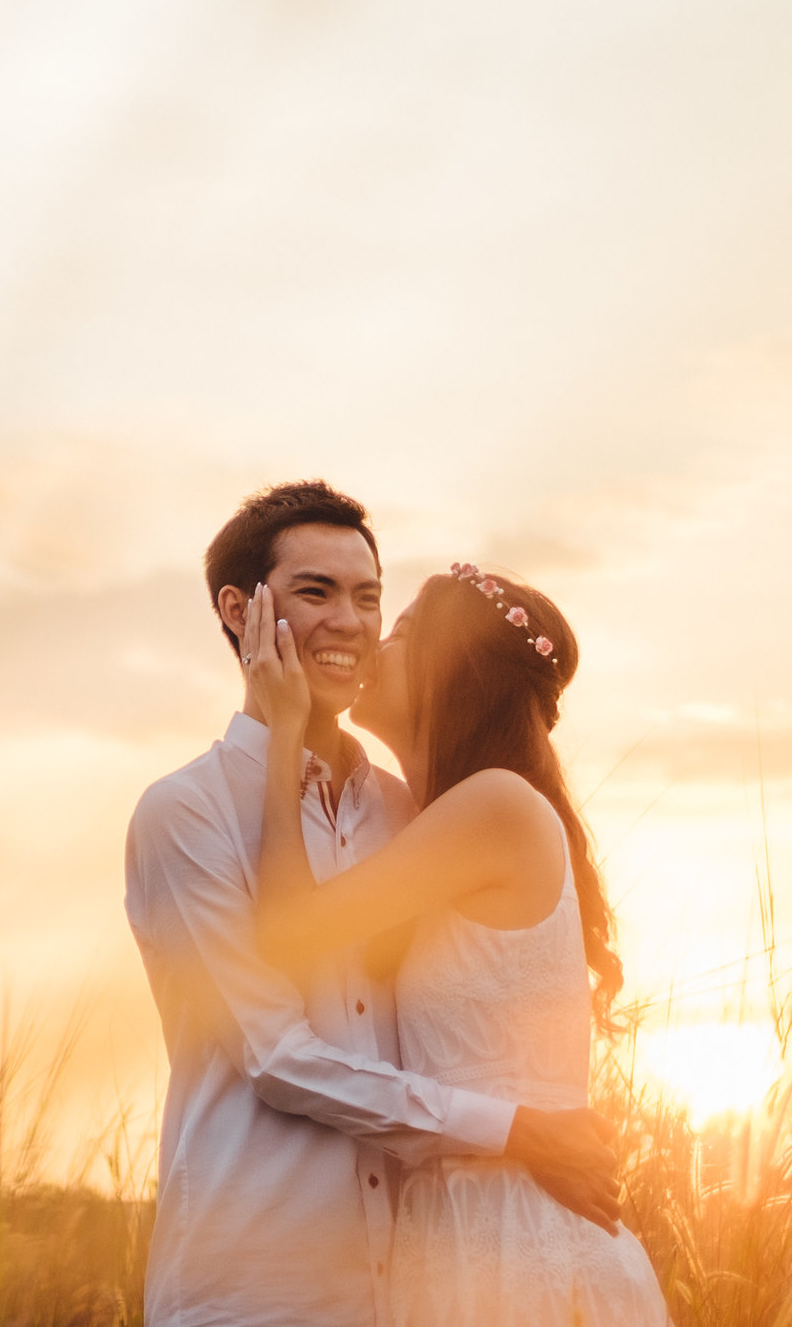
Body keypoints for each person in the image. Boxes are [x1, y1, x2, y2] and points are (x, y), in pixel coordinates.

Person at [125, 482, 623, 1327]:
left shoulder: (410, 814)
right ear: (241, 610)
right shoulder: (187, 812)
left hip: (418, 1278)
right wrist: (516, 1127)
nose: (354, 624)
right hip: (255, 1292)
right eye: (317, 591)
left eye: (372, 600)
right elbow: (277, 1054)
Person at [241, 562, 667, 1325]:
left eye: (400, 631)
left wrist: (281, 735)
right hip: (459, 1230)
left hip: (513, 1234)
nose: (375, 642)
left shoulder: (495, 806)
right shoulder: (436, 823)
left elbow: (287, 931)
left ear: (451, 669)